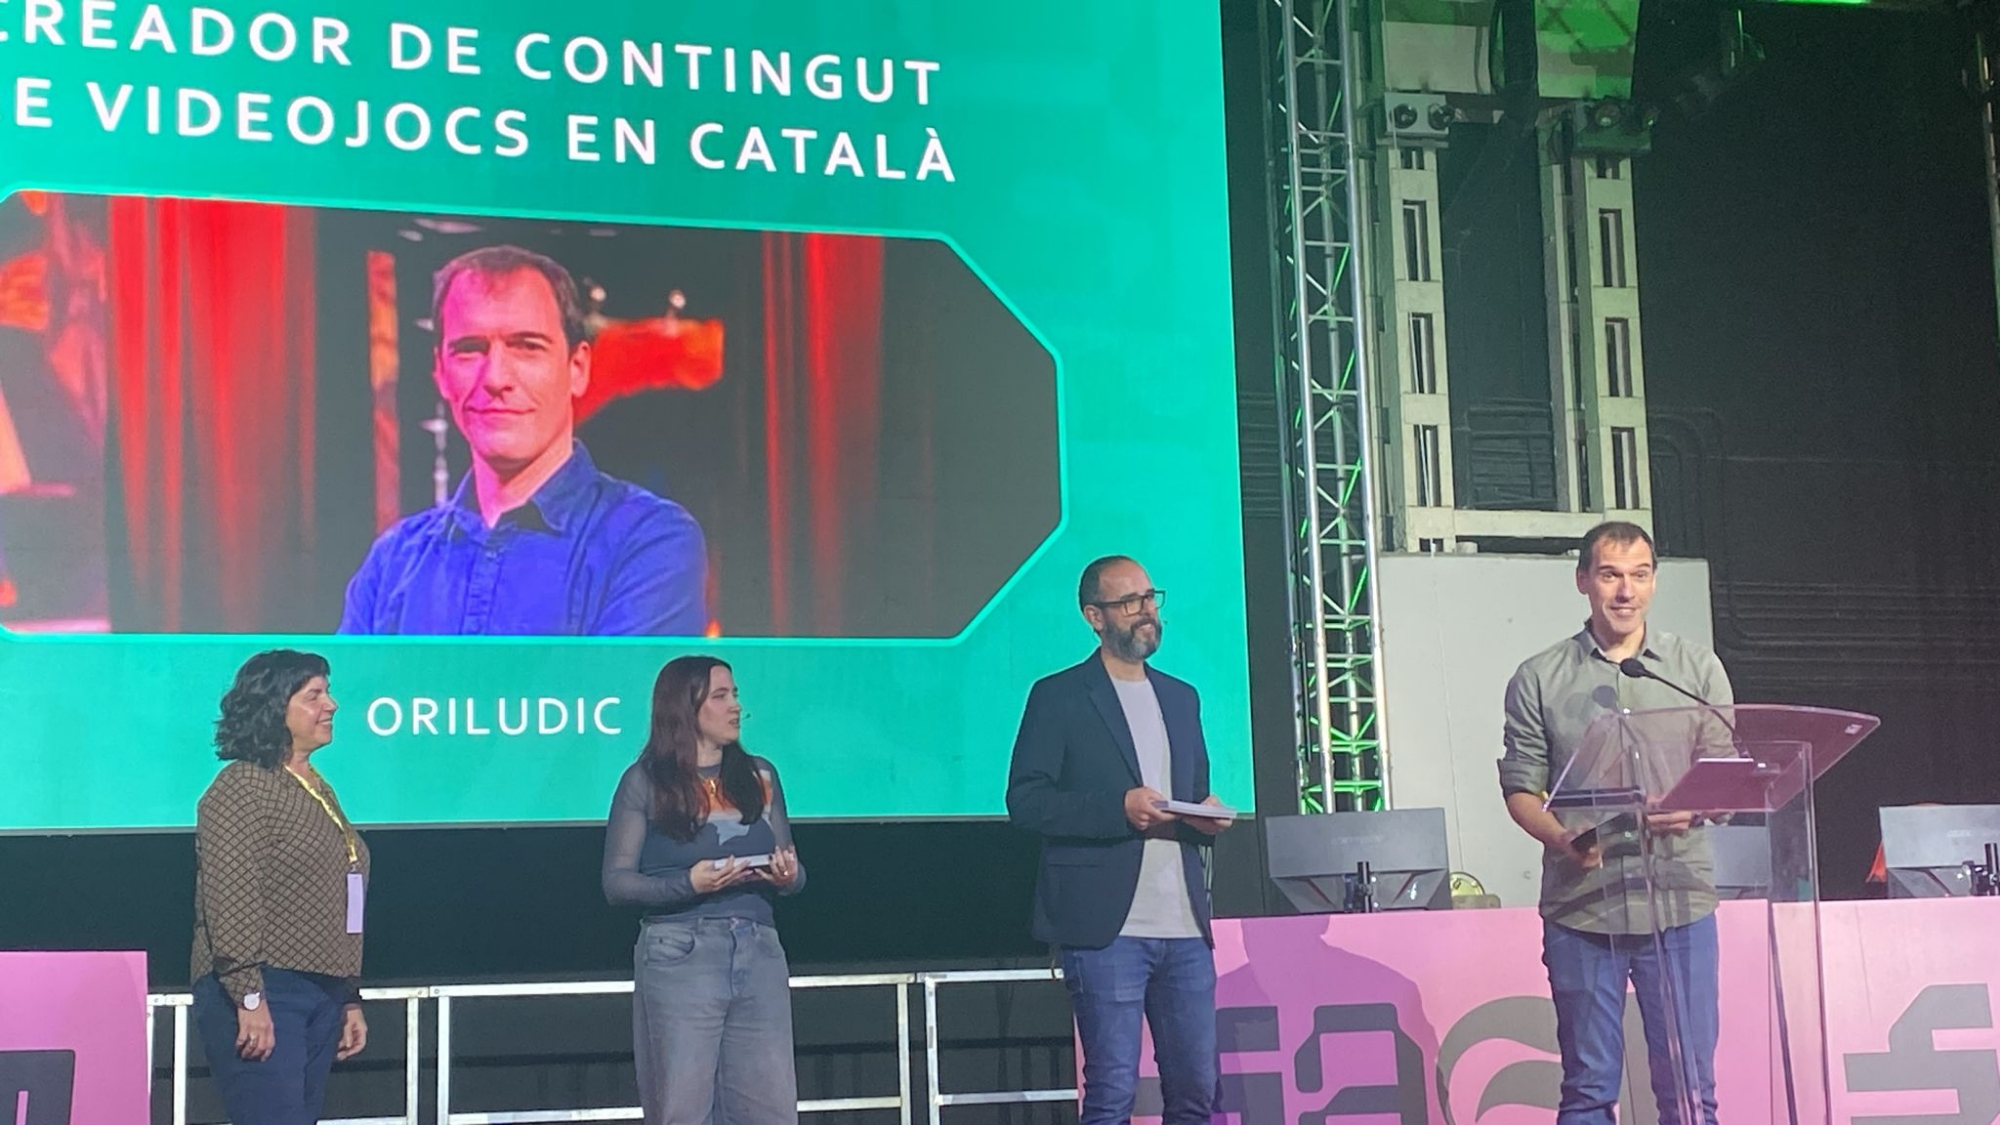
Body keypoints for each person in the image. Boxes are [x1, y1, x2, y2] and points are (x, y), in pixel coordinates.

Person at [340, 245, 707, 636]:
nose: (496, 378)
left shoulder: (648, 541)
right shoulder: (391, 564)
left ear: (578, 368)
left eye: (527, 347)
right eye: (469, 350)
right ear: (441, 373)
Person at [1498, 521, 1732, 1125]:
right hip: (1584, 907)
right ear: (1583, 581)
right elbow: (1520, 788)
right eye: (1610, 575)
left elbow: (1726, 774)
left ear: (1654, 582)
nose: (1625, 591)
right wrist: (1560, 838)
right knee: (1588, 1089)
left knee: (1690, 1089)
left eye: (1639, 575)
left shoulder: (1694, 668)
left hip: (1679, 905)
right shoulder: (1540, 677)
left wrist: (1695, 806)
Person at [1004, 555, 1233, 1125]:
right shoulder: (1059, 695)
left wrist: (1203, 817)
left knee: (1197, 1091)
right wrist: (1118, 809)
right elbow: (1027, 801)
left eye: (1150, 598)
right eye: (1130, 602)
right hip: (1105, 929)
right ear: (1095, 617)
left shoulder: (1182, 697)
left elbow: (1189, 794)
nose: (1147, 611)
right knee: (1111, 1092)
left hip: (1184, 926)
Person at [602, 655, 805, 1125]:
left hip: (758, 948)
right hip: (681, 951)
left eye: (735, 695)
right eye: (721, 696)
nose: (735, 706)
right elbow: (616, 882)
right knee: (684, 1106)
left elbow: (796, 872)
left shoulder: (760, 776)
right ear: (686, 707)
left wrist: (787, 875)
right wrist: (687, 884)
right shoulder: (645, 781)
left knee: (770, 1108)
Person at [192, 649, 370, 1124]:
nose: (331, 705)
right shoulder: (243, 786)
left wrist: (347, 995)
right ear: (274, 708)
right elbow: (232, 895)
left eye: (327, 693)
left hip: (321, 990)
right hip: (264, 989)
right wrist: (249, 996)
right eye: (314, 696)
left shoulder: (315, 787)